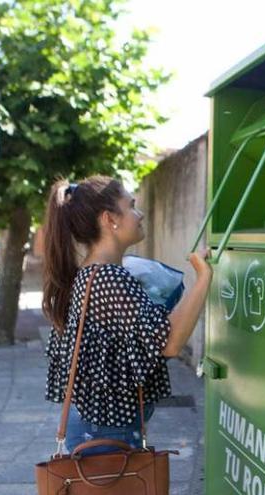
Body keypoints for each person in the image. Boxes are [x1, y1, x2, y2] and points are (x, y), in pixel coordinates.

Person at [41, 175, 212, 454]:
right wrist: (203, 276)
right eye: (131, 206)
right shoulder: (107, 277)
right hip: (104, 432)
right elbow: (168, 342)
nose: (140, 214)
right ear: (110, 219)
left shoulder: (94, 272)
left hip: (100, 426)